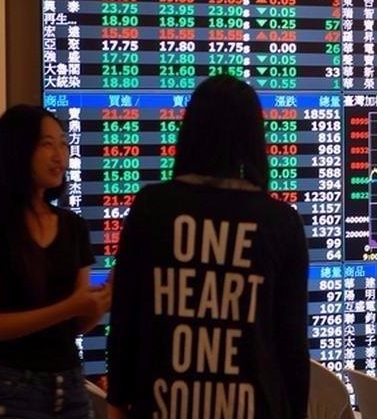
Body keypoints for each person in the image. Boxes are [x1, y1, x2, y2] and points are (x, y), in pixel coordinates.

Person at [106, 75, 310, 419]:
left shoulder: (152, 207)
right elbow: (291, 345)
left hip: (162, 406)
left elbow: (126, 318)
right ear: (253, 138)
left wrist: (116, 402)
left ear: (191, 132)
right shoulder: (280, 222)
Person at [0, 105, 112, 419]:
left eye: (63, 144)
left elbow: (76, 324)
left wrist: (99, 305)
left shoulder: (73, 226)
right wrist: (69, 307)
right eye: (47, 144)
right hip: (6, 389)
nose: (59, 156)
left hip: (70, 386)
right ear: (17, 150)